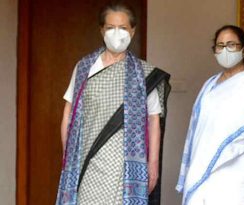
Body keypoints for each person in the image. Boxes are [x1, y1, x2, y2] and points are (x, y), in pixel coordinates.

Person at [56, 2, 170, 205]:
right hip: (87, 161)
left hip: (124, 168)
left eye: (123, 28)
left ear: (132, 32)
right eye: (110, 28)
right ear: (102, 30)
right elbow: (68, 115)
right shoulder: (84, 68)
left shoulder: (145, 74)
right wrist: (69, 157)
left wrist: (152, 166)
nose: (117, 34)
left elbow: (153, 121)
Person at [176, 25, 244, 205]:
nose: (225, 50)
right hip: (206, 176)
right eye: (220, 45)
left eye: (231, 44)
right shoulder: (209, 86)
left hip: (239, 177)